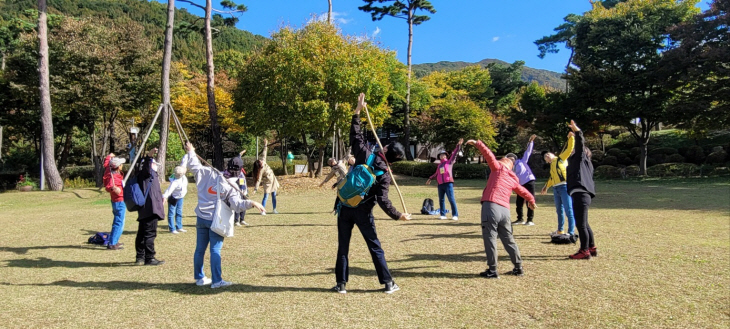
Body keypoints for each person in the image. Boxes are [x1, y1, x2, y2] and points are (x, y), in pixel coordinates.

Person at [333, 93, 411, 294]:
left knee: (343, 247)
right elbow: (383, 200)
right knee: (374, 246)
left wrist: (357, 111)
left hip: (344, 206)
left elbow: (355, 135)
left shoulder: (365, 153)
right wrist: (398, 215)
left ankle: (341, 284)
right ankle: (388, 283)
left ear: (385, 148)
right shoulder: (385, 173)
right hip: (363, 212)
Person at [182, 142, 266, 288]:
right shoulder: (231, 185)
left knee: (200, 249)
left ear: (227, 166)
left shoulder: (206, 173)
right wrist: (252, 203)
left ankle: (199, 278)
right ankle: (216, 281)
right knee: (215, 249)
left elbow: (194, 165)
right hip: (215, 219)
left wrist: (190, 151)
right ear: (240, 170)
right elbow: (237, 205)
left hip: (201, 217)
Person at [466, 139, 537, 279]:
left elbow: (489, 156)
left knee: (490, 237)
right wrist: (531, 201)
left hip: (491, 205)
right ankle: (518, 267)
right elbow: (523, 191)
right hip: (505, 211)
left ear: (504, 160)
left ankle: (492, 270)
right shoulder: (513, 178)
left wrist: (478, 143)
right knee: (508, 239)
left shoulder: (498, 168)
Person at [566, 120, 597, 260]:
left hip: (580, 193)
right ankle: (591, 247)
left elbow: (580, 146)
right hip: (583, 194)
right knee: (584, 223)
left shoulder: (580, 158)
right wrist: (570, 140)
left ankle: (584, 251)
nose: (573, 151)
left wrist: (578, 132)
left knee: (581, 224)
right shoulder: (586, 164)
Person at [541, 132, 576, 237]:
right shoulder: (552, 166)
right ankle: (560, 230)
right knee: (559, 210)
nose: (547, 155)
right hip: (556, 189)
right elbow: (552, 178)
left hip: (564, 186)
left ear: (553, 154)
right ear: (547, 162)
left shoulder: (561, 159)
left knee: (568, 209)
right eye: (545, 157)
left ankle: (571, 232)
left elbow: (569, 149)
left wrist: (571, 138)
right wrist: (546, 187)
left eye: (548, 154)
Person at [134, 148, 165, 266]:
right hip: (150, 208)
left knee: (142, 233)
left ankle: (140, 257)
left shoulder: (145, 175)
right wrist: (149, 156)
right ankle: (149, 258)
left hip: (146, 208)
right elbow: (147, 166)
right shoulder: (146, 173)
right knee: (149, 234)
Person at [426, 139, 463, 220]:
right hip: (440, 184)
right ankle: (443, 215)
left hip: (448, 183)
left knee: (451, 199)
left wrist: (458, 146)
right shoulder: (439, 165)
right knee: (441, 200)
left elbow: (454, 154)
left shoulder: (449, 162)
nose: (441, 156)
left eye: (443, 155)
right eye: (440, 155)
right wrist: (430, 178)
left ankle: (455, 215)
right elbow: (436, 174)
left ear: (446, 156)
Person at [506, 135, 537, 226]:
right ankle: (520, 219)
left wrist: (530, 142)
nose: (511, 160)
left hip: (529, 181)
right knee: (519, 202)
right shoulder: (509, 168)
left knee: (530, 201)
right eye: (509, 159)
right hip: (519, 185)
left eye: (512, 158)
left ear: (515, 158)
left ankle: (530, 220)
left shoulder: (522, 161)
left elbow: (528, 152)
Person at [103, 153, 126, 250]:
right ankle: (112, 243)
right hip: (119, 201)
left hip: (117, 201)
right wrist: (114, 189)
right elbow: (109, 186)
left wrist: (109, 156)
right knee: (119, 222)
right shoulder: (113, 176)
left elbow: (107, 164)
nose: (122, 165)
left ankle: (114, 241)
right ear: (117, 167)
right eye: (121, 164)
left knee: (118, 221)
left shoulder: (109, 170)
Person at [252, 138, 280, 215]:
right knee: (266, 197)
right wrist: (255, 189)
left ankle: (274, 209)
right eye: (260, 162)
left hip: (273, 180)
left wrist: (265, 145)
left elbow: (264, 153)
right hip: (267, 183)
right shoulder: (260, 171)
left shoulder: (264, 162)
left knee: (274, 195)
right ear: (259, 166)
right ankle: (262, 210)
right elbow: (258, 180)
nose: (261, 161)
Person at [162, 166, 188, 234]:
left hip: (181, 197)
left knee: (179, 212)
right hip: (173, 198)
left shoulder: (184, 178)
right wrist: (164, 197)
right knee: (171, 213)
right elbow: (169, 190)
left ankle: (179, 227)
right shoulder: (175, 182)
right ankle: (172, 229)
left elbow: (184, 166)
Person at [229, 150, 249, 226]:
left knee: (244, 204)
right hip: (239, 190)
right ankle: (236, 220)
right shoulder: (236, 171)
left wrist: (241, 153)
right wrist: (242, 189)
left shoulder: (240, 169)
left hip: (244, 190)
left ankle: (242, 219)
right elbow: (241, 182)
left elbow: (238, 157)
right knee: (238, 204)